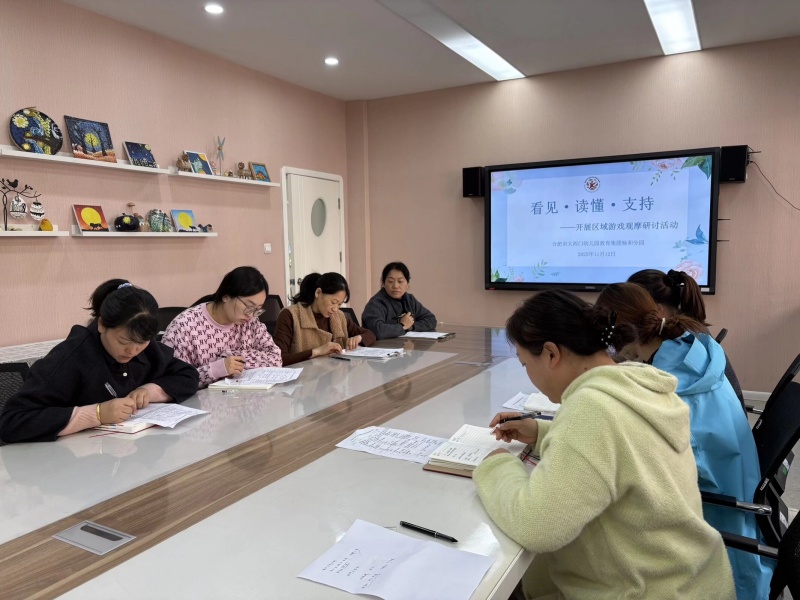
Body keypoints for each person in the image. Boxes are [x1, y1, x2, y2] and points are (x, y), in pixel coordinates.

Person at [473, 290, 734, 600]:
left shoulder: (591, 408)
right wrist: (543, 433)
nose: (528, 374)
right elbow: (623, 447)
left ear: (551, 354)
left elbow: (537, 526)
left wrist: (497, 466)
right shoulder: (637, 384)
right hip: (693, 580)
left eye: (525, 364)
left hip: (647, 592)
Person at [595, 282, 771, 600]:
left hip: (714, 528)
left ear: (620, 338)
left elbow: (633, 463)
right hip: (737, 498)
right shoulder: (693, 349)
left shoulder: (670, 389)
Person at [0, 280, 199, 444]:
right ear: (102, 324)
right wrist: (97, 414)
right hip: (70, 464)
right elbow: (12, 422)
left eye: (141, 343)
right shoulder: (71, 358)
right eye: (123, 342)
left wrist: (149, 390)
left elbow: (188, 375)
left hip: (125, 453)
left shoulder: (146, 349)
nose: (132, 351)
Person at [628, 268, 744, 404]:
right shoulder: (686, 327)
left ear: (657, 309)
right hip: (729, 409)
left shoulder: (678, 341)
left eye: (631, 307)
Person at [161, 266, 282, 388]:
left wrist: (234, 357)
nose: (250, 315)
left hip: (242, 395)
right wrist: (216, 369)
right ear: (226, 296)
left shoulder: (250, 323)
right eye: (249, 306)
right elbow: (172, 382)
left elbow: (276, 358)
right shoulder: (184, 327)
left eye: (257, 309)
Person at [273, 272, 376, 366]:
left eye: (339, 304)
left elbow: (370, 334)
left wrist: (359, 338)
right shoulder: (290, 315)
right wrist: (317, 351)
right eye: (333, 302)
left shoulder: (339, 317)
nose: (335, 309)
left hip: (335, 377)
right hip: (303, 378)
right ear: (318, 293)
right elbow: (278, 358)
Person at [361, 262, 436, 339]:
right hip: (380, 346)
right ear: (383, 283)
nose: (395, 286)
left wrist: (410, 326)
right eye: (390, 281)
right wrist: (402, 326)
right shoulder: (376, 303)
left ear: (407, 284)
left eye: (400, 281)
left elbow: (431, 319)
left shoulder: (410, 300)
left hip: (405, 345)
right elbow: (378, 331)